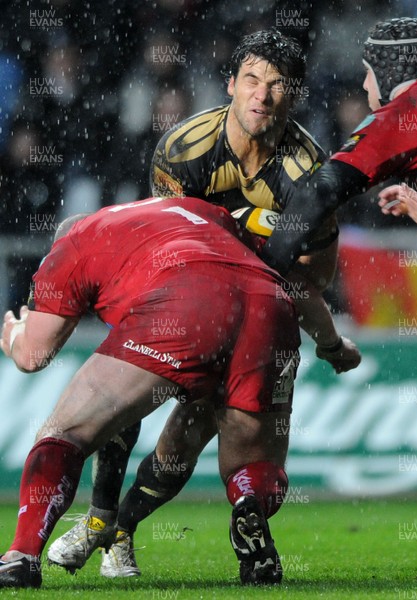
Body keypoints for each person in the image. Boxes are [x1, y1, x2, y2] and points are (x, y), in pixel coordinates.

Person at [46, 28, 361, 580]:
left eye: (278, 84)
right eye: (251, 81)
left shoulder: (308, 177)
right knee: (128, 402)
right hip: (181, 299)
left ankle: (117, 526)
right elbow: (161, 244)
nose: (262, 95)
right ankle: (101, 520)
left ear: (295, 94)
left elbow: (306, 278)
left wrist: (327, 339)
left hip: (261, 310)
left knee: (181, 449)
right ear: (231, 85)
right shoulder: (183, 149)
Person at [0, 194, 305, 589]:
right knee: (252, 463)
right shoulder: (185, 207)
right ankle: (249, 504)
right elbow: (256, 241)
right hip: (271, 302)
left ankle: (21, 557)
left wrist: (13, 336)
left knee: (65, 433)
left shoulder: (72, 243)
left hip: (185, 301)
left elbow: (34, 355)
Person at [259, 17, 417, 480]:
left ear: (387, 72)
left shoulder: (407, 111)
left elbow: (321, 191)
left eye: (368, 71)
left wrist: (262, 272)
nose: (366, 84)